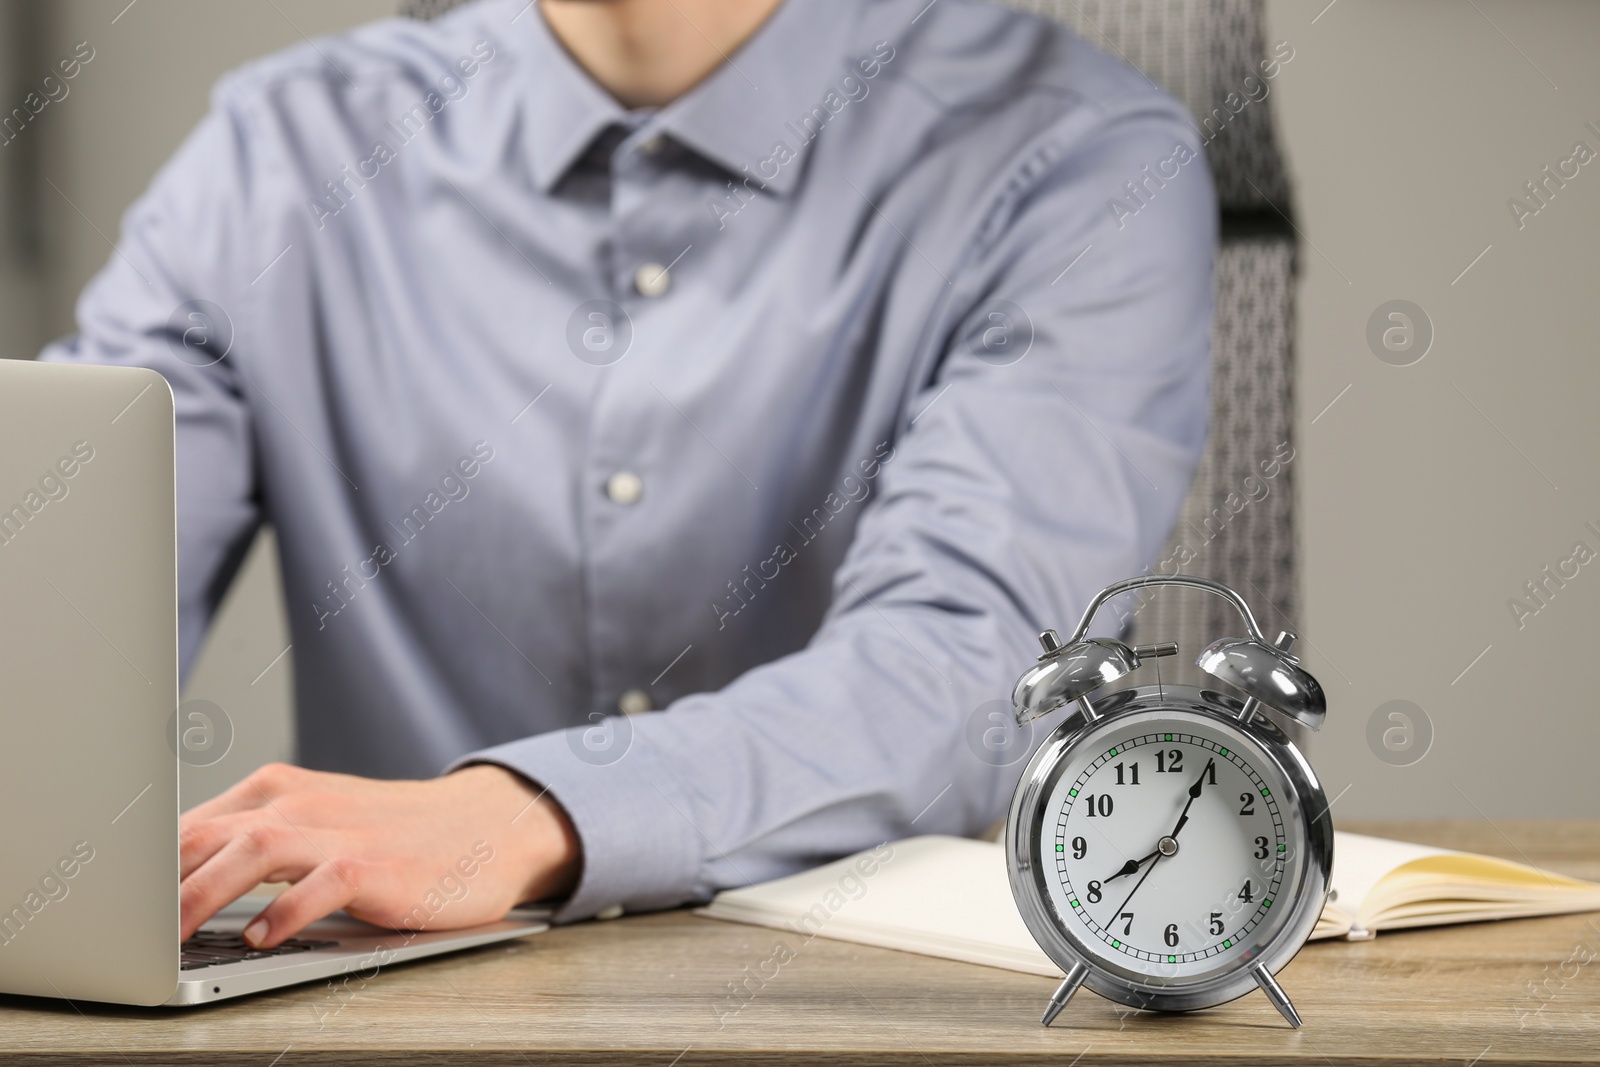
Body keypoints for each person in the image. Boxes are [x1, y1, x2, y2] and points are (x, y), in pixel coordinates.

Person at [44, 0, 1213, 949]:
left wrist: (528, 813)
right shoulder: (275, 152)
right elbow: (56, 613)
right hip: (375, 1005)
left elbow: (962, 671)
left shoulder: (1072, 154)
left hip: (855, 1007)